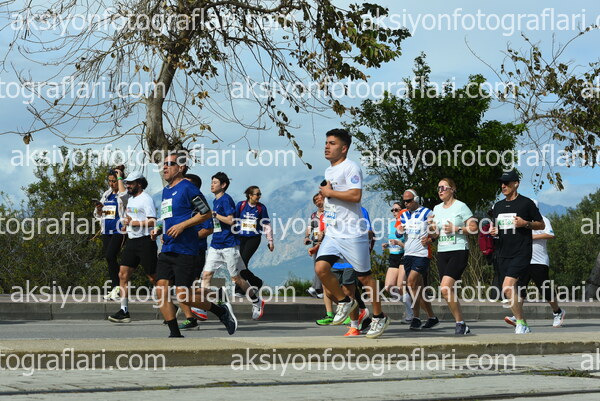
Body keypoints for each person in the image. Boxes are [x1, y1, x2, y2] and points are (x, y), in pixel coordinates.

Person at [151, 153, 237, 337]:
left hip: (186, 250)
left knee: (182, 295)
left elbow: (205, 213)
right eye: (163, 164)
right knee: (161, 290)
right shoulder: (166, 191)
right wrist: (159, 230)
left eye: (169, 164)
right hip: (167, 248)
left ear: (180, 167)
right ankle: (175, 334)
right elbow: (169, 216)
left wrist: (182, 226)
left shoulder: (188, 188)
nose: (164, 167)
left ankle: (220, 310)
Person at [314, 128, 389, 339]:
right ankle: (345, 301)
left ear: (344, 148)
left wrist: (329, 192)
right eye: (326, 143)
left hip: (353, 232)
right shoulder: (329, 171)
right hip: (333, 232)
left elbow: (356, 196)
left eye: (332, 143)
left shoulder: (351, 167)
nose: (327, 146)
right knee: (321, 269)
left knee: (364, 278)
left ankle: (379, 317)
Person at [202, 172, 265, 320]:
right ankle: (203, 307)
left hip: (229, 245)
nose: (212, 185)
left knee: (236, 279)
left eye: (215, 182)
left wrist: (215, 215)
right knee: (206, 275)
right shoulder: (215, 200)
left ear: (223, 185)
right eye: (211, 182)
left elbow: (231, 221)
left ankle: (256, 301)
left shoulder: (226, 199)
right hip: (215, 244)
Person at [490, 170, 545, 334]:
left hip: (521, 252)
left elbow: (541, 224)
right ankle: (523, 322)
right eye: (501, 183)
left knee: (507, 287)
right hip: (502, 253)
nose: (503, 186)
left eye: (506, 183)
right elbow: (498, 228)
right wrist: (494, 232)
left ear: (516, 184)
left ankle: (520, 323)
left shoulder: (526, 203)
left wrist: (525, 224)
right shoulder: (498, 206)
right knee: (510, 290)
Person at [505, 199, 565, 328]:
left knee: (544, 288)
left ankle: (557, 312)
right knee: (520, 288)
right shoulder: (519, 221)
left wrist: (531, 237)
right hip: (523, 259)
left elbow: (550, 234)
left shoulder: (543, 220)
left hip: (539, 260)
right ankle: (517, 315)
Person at [429, 178, 478, 335]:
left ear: (452, 189)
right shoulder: (436, 209)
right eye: (438, 188)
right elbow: (435, 234)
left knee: (445, 287)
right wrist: (430, 227)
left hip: (458, 250)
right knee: (446, 290)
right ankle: (461, 323)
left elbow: (474, 228)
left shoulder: (461, 206)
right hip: (442, 251)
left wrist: (457, 229)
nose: (440, 191)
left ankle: (460, 323)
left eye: (443, 187)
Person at [108, 172, 157, 323]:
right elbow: (131, 218)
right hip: (132, 241)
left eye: (130, 183)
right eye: (127, 183)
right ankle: (124, 311)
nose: (127, 186)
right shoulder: (131, 199)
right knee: (123, 275)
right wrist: (127, 224)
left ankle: (169, 306)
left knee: (153, 277)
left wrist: (134, 223)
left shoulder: (146, 199)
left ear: (139, 184)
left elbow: (152, 221)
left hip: (145, 242)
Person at [397, 189, 439, 331]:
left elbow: (435, 232)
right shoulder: (403, 214)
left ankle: (416, 318)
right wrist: (400, 231)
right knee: (418, 289)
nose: (406, 203)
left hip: (422, 254)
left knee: (410, 283)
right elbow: (399, 233)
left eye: (409, 201)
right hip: (408, 253)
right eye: (404, 201)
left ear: (416, 199)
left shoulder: (427, 212)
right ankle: (432, 317)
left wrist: (430, 238)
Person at [177, 173, 214, 330]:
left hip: (195, 251)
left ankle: (194, 316)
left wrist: (189, 237)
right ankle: (192, 314)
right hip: (178, 249)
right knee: (178, 286)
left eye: (186, 184)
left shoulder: (199, 204)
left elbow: (208, 229)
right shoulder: (181, 205)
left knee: (186, 286)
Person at [94, 165, 129, 301]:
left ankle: (118, 287)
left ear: (119, 180)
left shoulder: (123, 192)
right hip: (106, 230)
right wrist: (99, 209)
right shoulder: (106, 194)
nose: (111, 183)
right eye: (109, 181)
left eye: (113, 181)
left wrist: (120, 178)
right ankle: (115, 287)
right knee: (109, 258)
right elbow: (98, 215)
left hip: (119, 230)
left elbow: (125, 198)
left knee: (111, 255)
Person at [233, 186, 274, 296]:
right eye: (257, 194)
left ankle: (240, 289)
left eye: (260, 194)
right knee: (238, 263)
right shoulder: (241, 205)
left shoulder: (261, 208)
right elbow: (234, 220)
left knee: (243, 261)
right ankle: (256, 282)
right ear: (250, 195)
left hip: (253, 238)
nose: (259, 196)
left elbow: (266, 224)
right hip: (240, 237)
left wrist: (270, 241)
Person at [381, 201, 413, 323]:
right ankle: (409, 306)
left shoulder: (407, 224)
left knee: (400, 286)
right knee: (388, 287)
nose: (394, 212)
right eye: (393, 210)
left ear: (403, 211)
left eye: (397, 209)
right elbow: (392, 241)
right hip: (393, 256)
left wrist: (399, 243)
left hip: (404, 255)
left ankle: (410, 314)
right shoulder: (391, 224)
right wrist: (387, 245)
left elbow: (409, 245)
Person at [306, 193, 325, 299]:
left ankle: (317, 288)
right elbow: (309, 227)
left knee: (322, 266)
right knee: (317, 266)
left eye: (320, 199)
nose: (318, 201)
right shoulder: (313, 215)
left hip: (326, 242)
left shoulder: (328, 213)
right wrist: (306, 237)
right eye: (316, 200)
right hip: (315, 242)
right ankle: (317, 289)